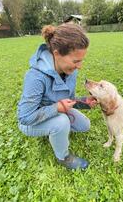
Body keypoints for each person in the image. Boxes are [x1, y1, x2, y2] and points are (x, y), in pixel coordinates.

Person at [17, 23, 97, 170]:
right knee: (61, 122)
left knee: (84, 125)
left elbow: (69, 99)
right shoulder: (36, 77)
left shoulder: (71, 71)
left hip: (55, 110)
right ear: (56, 53)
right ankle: (63, 157)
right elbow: (24, 117)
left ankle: (55, 131)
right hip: (30, 122)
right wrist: (57, 108)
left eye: (81, 60)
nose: (80, 66)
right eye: (76, 61)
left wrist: (85, 101)